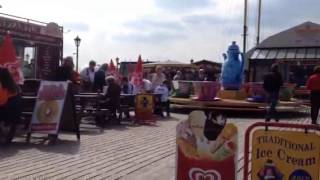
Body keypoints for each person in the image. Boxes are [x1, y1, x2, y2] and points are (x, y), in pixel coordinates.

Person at [0, 68, 22, 143]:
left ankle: (2, 135)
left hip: (8, 113)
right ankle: (5, 135)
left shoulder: (4, 86)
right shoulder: (14, 85)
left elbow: (2, 101)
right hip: (16, 113)